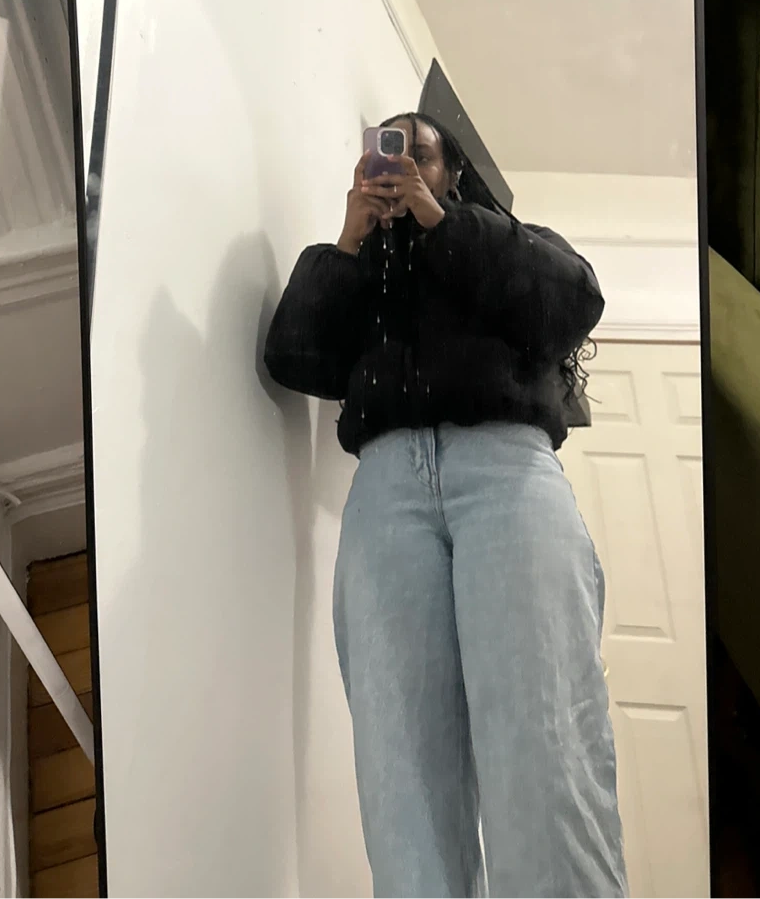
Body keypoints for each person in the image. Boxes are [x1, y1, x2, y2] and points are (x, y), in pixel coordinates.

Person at [264, 112, 628, 899]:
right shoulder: (362, 270)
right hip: (386, 485)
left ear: (452, 173)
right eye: (380, 155)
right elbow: (293, 355)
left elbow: (575, 302)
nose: (395, 168)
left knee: (544, 739)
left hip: (506, 470)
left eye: (416, 154)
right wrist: (349, 240)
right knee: (398, 770)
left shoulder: (502, 241)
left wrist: (440, 223)